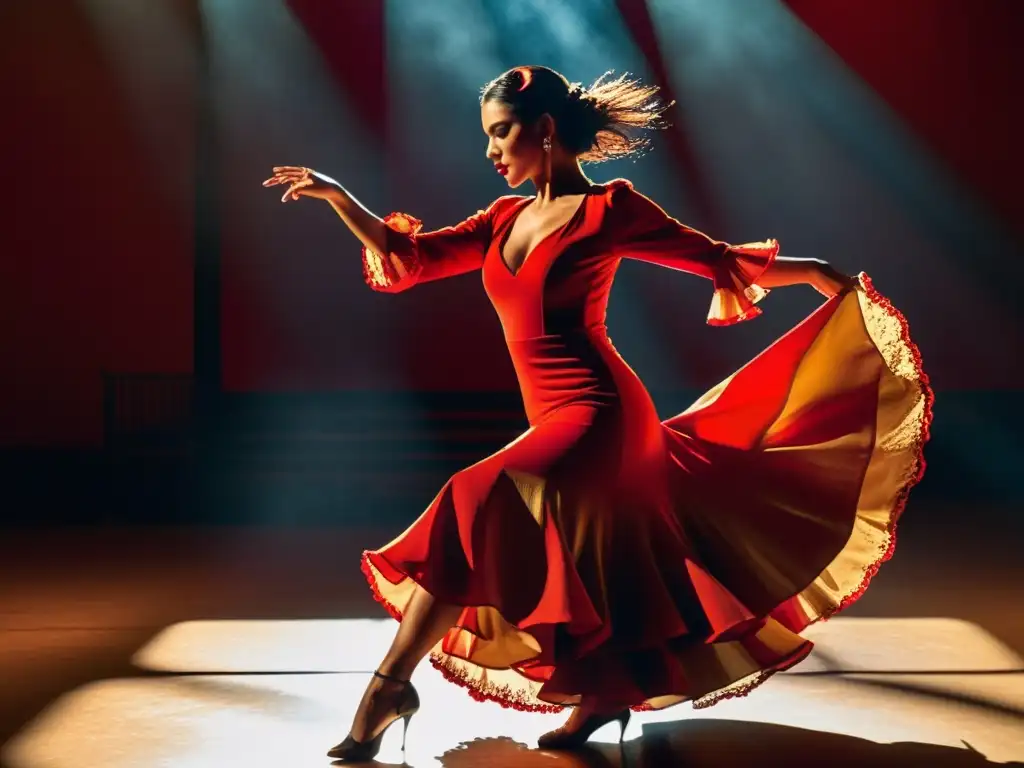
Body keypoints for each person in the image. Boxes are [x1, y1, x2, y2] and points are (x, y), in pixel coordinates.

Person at [263, 65, 932, 761]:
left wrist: (817, 270)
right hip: (551, 416)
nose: (491, 151)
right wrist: (340, 197)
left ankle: (386, 688)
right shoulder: (503, 218)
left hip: (602, 414)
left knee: (473, 497)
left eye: (501, 133)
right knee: (589, 558)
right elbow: (412, 257)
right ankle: (604, 696)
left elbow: (716, 260)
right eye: (487, 137)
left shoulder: (609, 210)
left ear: (545, 130)